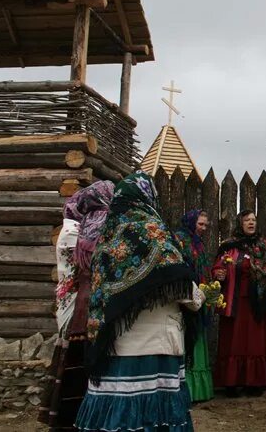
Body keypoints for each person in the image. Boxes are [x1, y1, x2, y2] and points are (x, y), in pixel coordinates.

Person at [76, 173, 204, 432]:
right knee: (154, 410)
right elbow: (174, 282)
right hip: (155, 344)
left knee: (118, 406)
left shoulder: (107, 236)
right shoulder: (152, 232)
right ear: (147, 197)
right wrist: (199, 297)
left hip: (116, 345)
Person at [38, 180, 114, 430]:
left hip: (74, 301)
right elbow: (94, 266)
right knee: (78, 362)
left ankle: (71, 416)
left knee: (72, 359)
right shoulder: (80, 230)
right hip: (80, 304)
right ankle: (77, 418)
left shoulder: (76, 226)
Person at [212, 210, 266, 396]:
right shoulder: (229, 246)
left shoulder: (263, 246)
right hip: (234, 303)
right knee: (234, 342)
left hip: (258, 304)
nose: (251, 223)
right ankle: (231, 383)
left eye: (253, 220)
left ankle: (254, 383)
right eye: (247, 220)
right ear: (239, 223)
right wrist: (219, 272)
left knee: (255, 342)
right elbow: (218, 266)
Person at [176, 209, 215, 403]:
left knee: (197, 338)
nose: (203, 228)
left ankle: (197, 391)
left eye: (206, 225)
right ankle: (187, 390)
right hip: (186, 299)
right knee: (187, 339)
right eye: (200, 224)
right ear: (191, 222)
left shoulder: (199, 243)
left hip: (200, 297)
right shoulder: (181, 240)